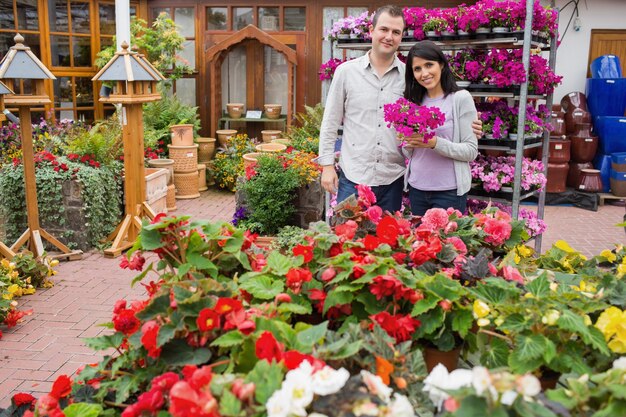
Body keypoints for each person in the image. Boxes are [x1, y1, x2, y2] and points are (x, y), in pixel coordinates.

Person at [318, 6, 483, 213]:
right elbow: (330, 121)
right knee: (347, 242)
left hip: (392, 180)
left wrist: (471, 125)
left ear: (401, 37)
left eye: (396, 32)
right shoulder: (346, 72)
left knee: (388, 244)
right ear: (371, 30)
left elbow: (437, 107)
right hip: (353, 178)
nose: (389, 37)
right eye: (384, 30)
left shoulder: (411, 77)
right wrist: (326, 165)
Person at [403, 40, 478, 216]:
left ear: (442, 65)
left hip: (449, 193)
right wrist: (407, 141)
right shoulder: (413, 103)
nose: (424, 73)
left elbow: (470, 151)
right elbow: (410, 153)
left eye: (429, 65)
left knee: (447, 243)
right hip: (417, 190)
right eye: (417, 69)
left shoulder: (460, 99)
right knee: (419, 243)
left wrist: (434, 142)